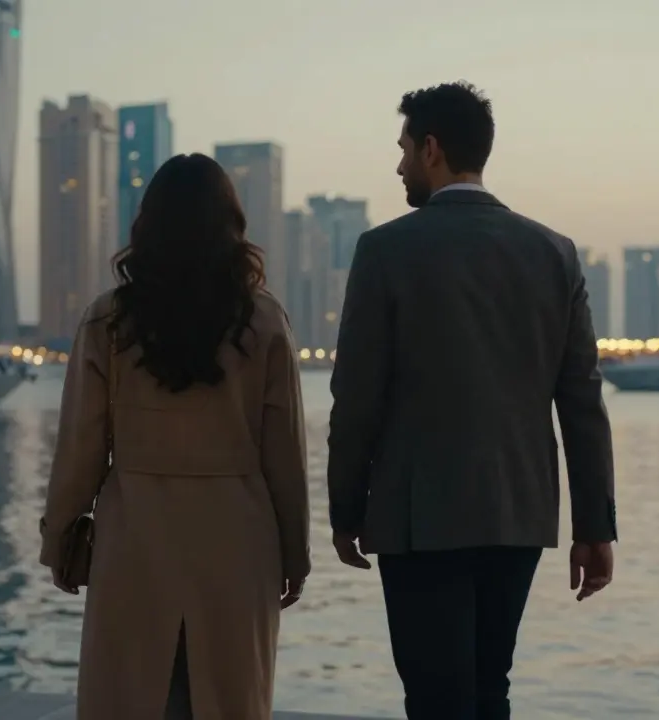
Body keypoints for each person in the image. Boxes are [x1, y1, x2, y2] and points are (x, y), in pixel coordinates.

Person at [326, 81, 618, 719]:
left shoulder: (385, 250)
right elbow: (582, 402)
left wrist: (346, 508)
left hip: (417, 518)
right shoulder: (553, 252)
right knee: (491, 690)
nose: (398, 164)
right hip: (517, 512)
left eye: (403, 148)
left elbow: (356, 398)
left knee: (434, 698)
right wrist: (594, 527)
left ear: (431, 149)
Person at [39, 153, 311, 720]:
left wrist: (60, 537)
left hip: (135, 538)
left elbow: (80, 448)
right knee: (228, 699)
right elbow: (284, 453)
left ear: (147, 225)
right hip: (238, 540)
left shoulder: (106, 321)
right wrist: (295, 552)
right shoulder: (263, 322)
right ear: (231, 228)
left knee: (133, 698)